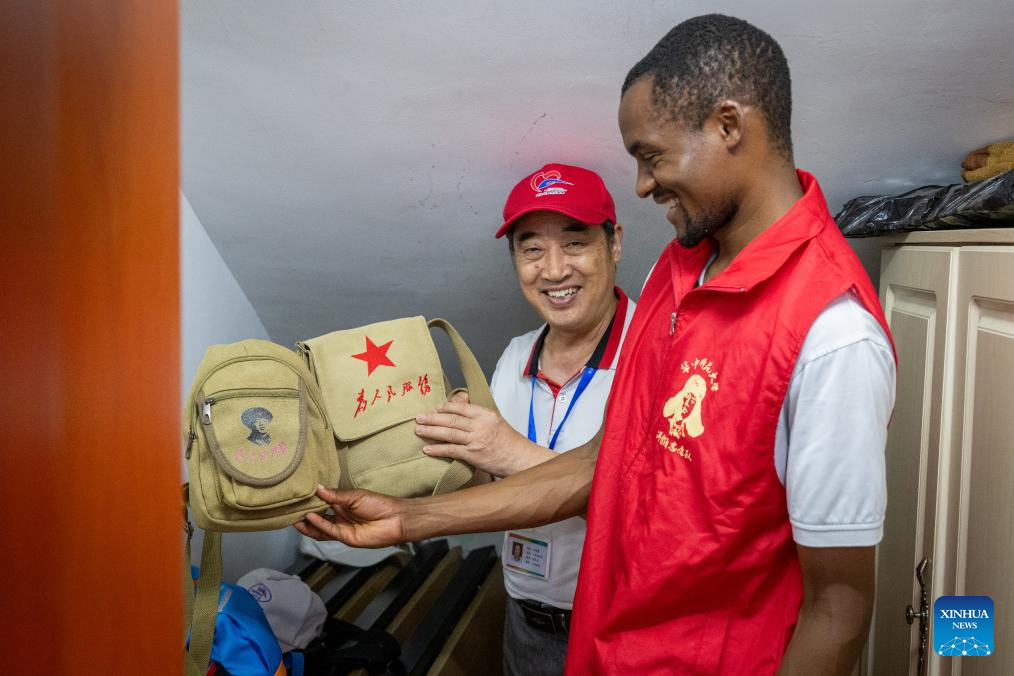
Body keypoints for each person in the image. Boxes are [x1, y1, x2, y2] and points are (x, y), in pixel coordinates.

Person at [296, 14, 896, 675]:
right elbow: (603, 464)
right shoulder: (682, 266)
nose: (642, 185)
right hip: (604, 650)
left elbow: (839, 609)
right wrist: (408, 518)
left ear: (729, 126)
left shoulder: (832, 336)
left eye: (652, 156)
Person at [419, 163, 634, 675]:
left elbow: (658, 519)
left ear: (615, 244)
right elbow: (487, 486)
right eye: (532, 249)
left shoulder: (659, 352)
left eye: (575, 243)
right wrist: (450, 452)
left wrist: (509, 451)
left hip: (620, 631)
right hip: (525, 623)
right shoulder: (516, 354)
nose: (554, 270)